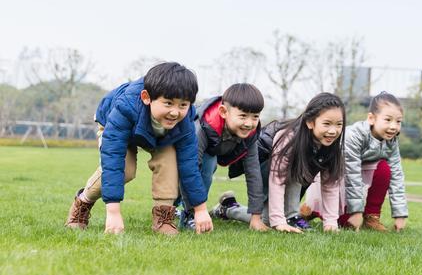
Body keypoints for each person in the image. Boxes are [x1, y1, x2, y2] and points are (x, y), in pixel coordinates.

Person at [64, 62, 212, 235]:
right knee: (125, 169)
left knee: (169, 161)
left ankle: (163, 217)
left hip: (161, 134)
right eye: (168, 103)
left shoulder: (184, 122)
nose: (175, 112)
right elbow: (113, 157)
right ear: (146, 97)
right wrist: (113, 212)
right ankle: (83, 201)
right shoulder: (125, 107)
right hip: (117, 126)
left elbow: (189, 166)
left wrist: (200, 209)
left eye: (183, 105)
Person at [213, 93, 345, 233]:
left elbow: (330, 185)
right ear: (310, 122)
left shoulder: (332, 146)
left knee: (269, 218)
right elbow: (278, 180)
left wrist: (331, 223)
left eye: (339, 124)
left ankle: (290, 216)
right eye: (327, 124)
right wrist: (278, 221)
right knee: (268, 220)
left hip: (293, 179)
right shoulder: (289, 138)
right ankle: (228, 208)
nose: (333, 131)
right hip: (263, 169)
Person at [302, 91, 408, 232]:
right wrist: (356, 212)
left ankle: (372, 217)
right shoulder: (354, 136)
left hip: (360, 174)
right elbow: (353, 174)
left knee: (384, 169)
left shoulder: (391, 141)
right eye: (388, 120)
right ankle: (312, 210)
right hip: (338, 174)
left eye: (398, 121)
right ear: (371, 118)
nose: (394, 126)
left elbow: (397, 176)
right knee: (345, 223)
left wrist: (400, 214)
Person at [177, 83, 269, 232]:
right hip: (183, 151)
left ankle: (188, 209)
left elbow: (253, 173)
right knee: (205, 166)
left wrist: (256, 216)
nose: (249, 123)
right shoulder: (201, 127)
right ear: (223, 112)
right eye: (243, 116)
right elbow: (190, 169)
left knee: (208, 163)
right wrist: (199, 210)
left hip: (211, 152)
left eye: (255, 117)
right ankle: (188, 214)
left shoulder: (250, 134)